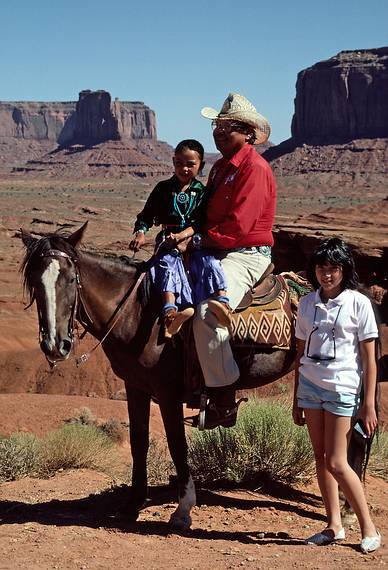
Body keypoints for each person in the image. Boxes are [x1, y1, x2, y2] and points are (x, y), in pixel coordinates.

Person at [191, 93, 276, 429]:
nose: (219, 132)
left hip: (244, 254)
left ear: (248, 133)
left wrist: (198, 241)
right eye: (217, 125)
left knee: (207, 314)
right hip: (213, 248)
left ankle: (223, 399)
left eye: (229, 127)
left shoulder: (255, 169)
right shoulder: (221, 167)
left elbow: (239, 226)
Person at [293, 237, 381, 554]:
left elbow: (369, 360)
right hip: (310, 388)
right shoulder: (306, 304)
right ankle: (334, 526)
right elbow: (301, 354)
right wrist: (296, 399)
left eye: (333, 268)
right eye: (321, 267)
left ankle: (369, 528)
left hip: (343, 387)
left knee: (337, 461)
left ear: (344, 270)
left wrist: (368, 404)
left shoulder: (359, 304)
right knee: (320, 459)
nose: (326, 274)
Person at [129, 139, 228, 336]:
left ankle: (222, 304)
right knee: (167, 264)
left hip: (194, 240)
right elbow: (146, 216)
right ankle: (170, 313)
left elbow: (201, 222)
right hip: (168, 240)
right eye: (179, 163)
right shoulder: (163, 189)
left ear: (201, 165)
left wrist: (183, 236)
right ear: (173, 162)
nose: (184, 168)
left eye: (190, 164)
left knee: (210, 263)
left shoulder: (202, 192)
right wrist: (141, 233)